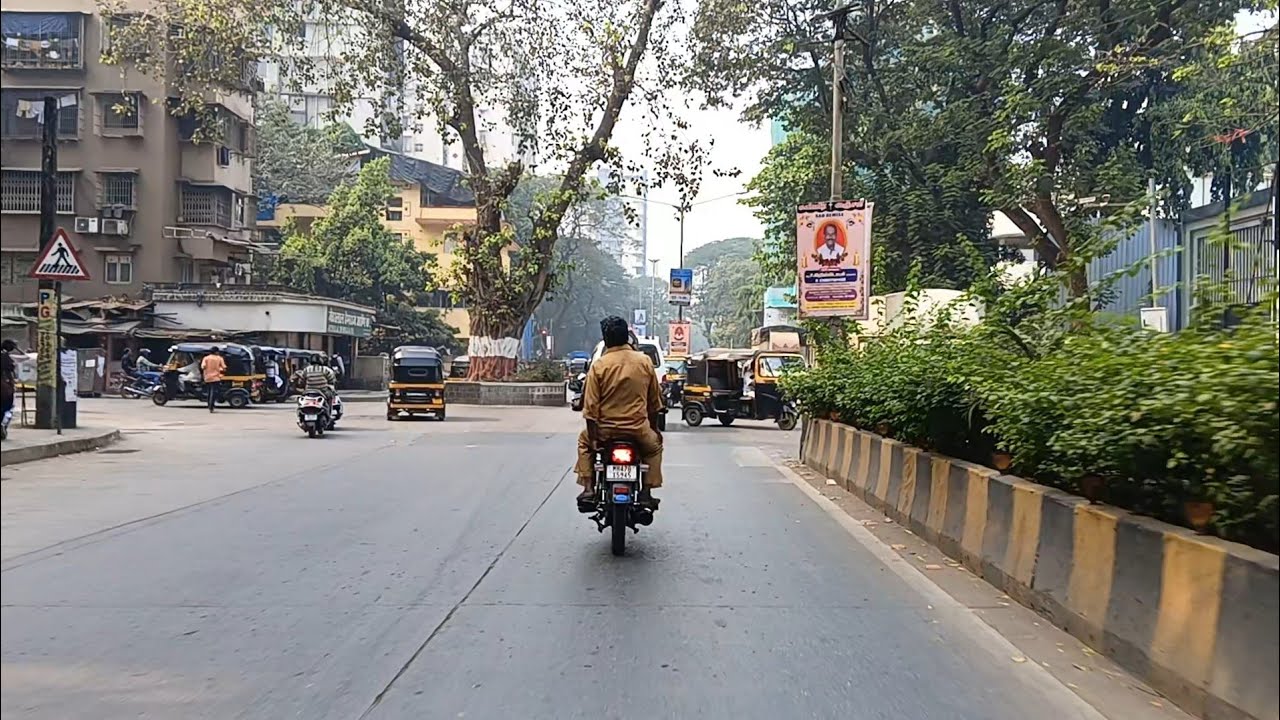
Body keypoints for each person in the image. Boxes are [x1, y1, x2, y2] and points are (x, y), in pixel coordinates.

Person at [575, 316, 665, 511]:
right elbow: (654, 404)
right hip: (638, 431)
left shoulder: (599, 366)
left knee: (584, 443)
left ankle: (589, 488)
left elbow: (590, 411)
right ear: (627, 337)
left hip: (605, 432)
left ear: (605, 339)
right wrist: (655, 430)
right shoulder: (645, 362)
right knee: (655, 447)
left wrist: (593, 439)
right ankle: (646, 492)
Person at [200, 346, 227, 412]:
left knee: (209, 392)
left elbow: (203, 366)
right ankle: (212, 406)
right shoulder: (219, 358)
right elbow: (224, 367)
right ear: (216, 352)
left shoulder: (206, 358)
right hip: (216, 377)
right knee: (214, 392)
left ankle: (209, 405)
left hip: (207, 377)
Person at [1, 339, 18, 440]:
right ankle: (3, 425)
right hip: (5, 385)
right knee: (8, 407)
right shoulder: (5, 357)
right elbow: (10, 369)